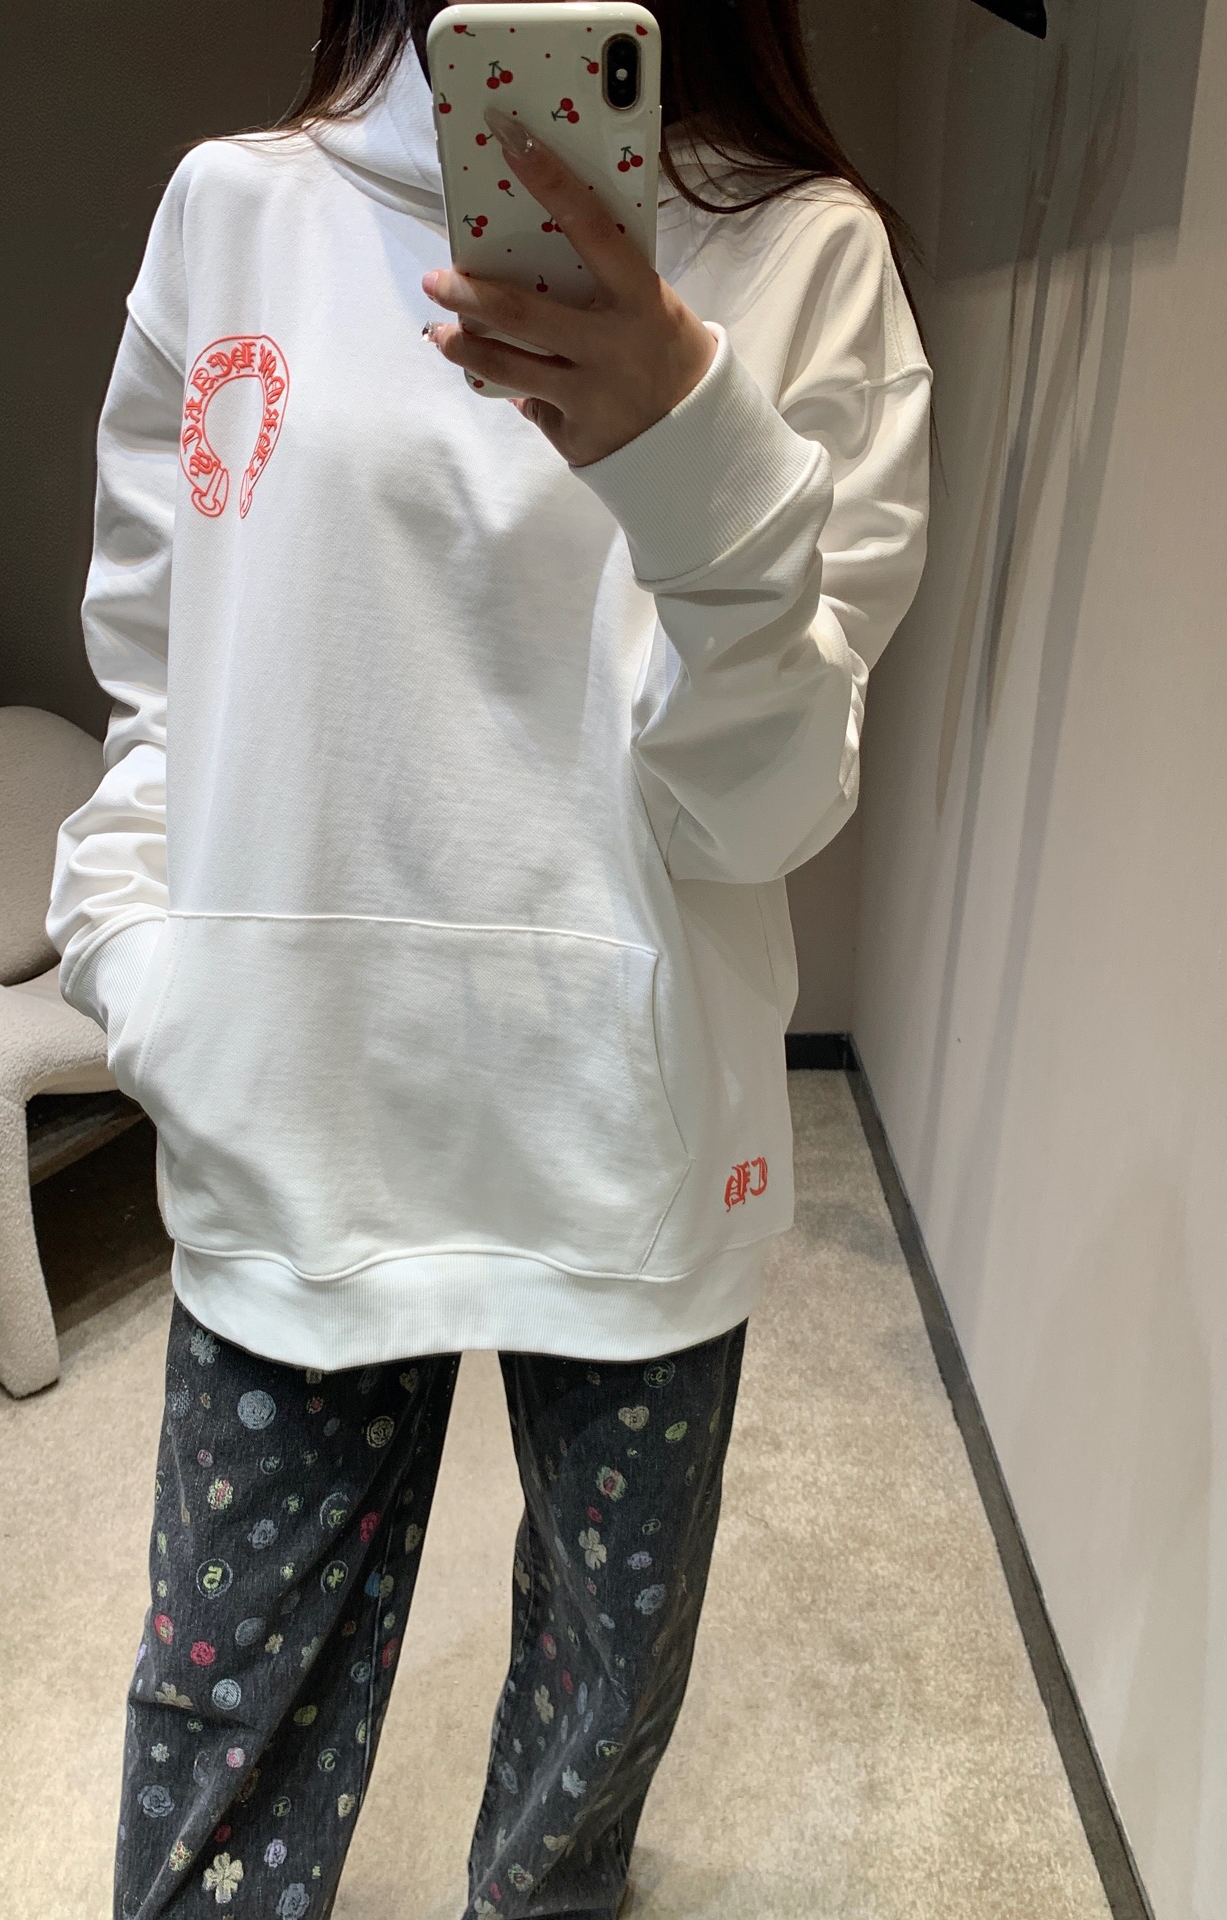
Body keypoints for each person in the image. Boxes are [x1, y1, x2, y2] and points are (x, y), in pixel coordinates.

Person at [47, 0, 930, 1913]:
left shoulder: (807, 257)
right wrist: (138, 953)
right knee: (216, 1739)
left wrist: (691, 452)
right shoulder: (238, 212)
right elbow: (161, 674)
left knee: (591, 1739)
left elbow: (767, 810)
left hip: (631, 1141)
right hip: (290, 1107)